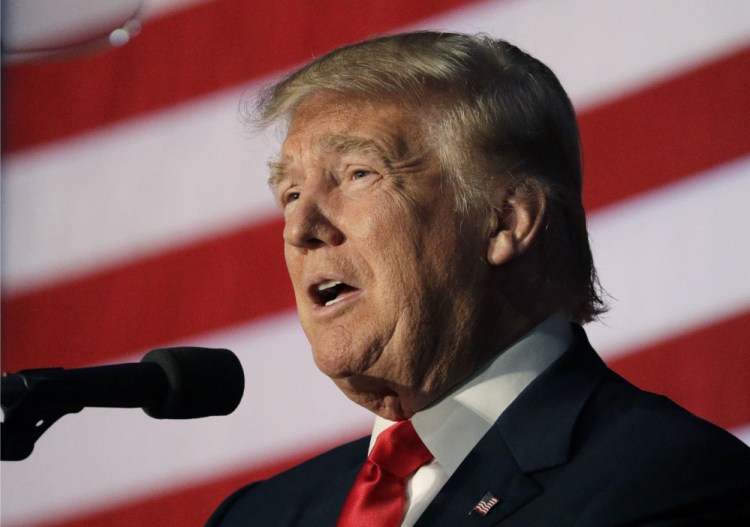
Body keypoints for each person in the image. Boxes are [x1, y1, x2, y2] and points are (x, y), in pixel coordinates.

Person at [207, 32, 750, 526]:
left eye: (358, 174)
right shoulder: (258, 515)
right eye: (292, 194)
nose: (300, 228)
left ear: (506, 221)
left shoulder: (672, 482)